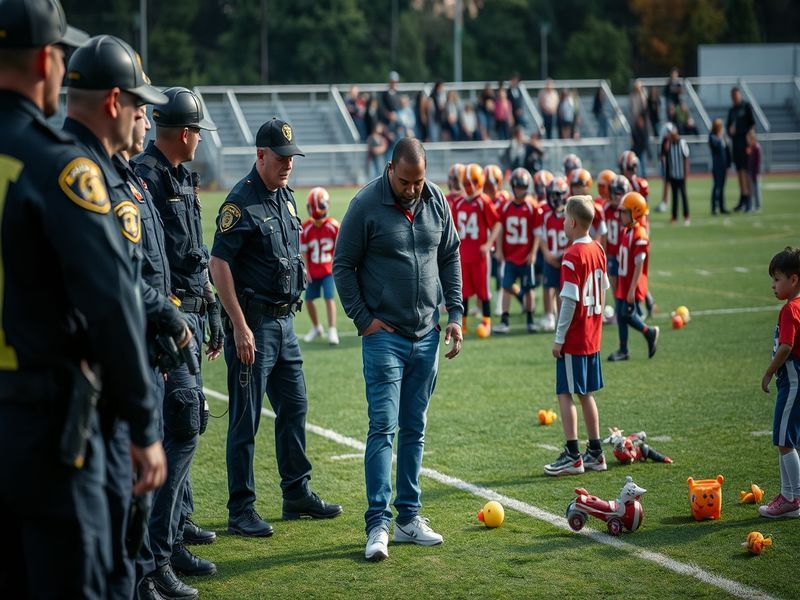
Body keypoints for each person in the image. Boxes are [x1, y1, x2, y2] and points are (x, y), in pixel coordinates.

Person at [0, 4, 165, 598]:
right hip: (46, 430)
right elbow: (111, 302)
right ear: (47, 60)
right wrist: (145, 424)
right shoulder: (60, 167)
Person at [62, 34, 176, 600]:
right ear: (113, 103)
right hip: (81, 401)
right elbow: (115, 297)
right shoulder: (81, 176)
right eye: (138, 104)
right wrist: (143, 423)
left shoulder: (97, 170)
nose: (144, 117)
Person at [209, 117, 343, 539]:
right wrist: (239, 325)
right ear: (260, 156)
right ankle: (241, 508)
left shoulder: (285, 197)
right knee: (245, 420)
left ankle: (296, 491)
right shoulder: (240, 202)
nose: (288, 165)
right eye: (281, 158)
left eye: (292, 158)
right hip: (255, 326)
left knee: (295, 408)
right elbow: (219, 264)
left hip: (284, 324)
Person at [332, 137, 463, 561]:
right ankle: (378, 524)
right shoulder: (365, 205)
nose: (412, 190)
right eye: (405, 181)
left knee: (415, 428)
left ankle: (409, 517)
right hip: (383, 337)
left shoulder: (436, 199)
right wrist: (364, 320)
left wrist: (456, 314)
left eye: (419, 182)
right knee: (382, 428)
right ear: (390, 170)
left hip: (426, 334)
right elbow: (342, 265)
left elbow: (450, 255)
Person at [132, 86, 222, 587]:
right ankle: (158, 557)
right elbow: (152, 267)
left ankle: (175, 535)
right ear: (185, 134)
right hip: (168, 321)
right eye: (198, 134)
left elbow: (188, 252)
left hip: (187, 315)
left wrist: (208, 308)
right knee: (181, 427)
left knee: (184, 426)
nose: (200, 142)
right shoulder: (146, 179)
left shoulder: (177, 177)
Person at [545, 195, 609, 476]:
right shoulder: (598, 249)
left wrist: (559, 338)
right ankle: (595, 451)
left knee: (564, 392)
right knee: (586, 393)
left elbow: (569, 301)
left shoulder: (573, 255)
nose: (561, 222)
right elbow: (603, 289)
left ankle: (573, 454)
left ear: (572, 222)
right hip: (592, 333)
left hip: (576, 336)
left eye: (563, 218)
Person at [759, 247, 800, 518]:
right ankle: (789, 494)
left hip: (792, 381)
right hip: (795, 381)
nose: (773, 285)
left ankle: (792, 498)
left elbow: (786, 346)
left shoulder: (789, 310)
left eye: (777, 279)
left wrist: (769, 372)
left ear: (793, 280)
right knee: (787, 439)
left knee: (784, 440)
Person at [608, 192, 659, 362]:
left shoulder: (640, 235)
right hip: (624, 281)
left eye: (624, 212)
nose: (620, 214)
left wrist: (631, 290)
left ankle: (649, 332)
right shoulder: (627, 231)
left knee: (627, 315)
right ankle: (623, 350)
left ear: (635, 213)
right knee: (622, 316)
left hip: (632, 283)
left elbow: (639, 266)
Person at [451, 163, 501, 334]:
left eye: (474, 181)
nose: (470, 186)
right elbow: (453, 229)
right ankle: (462, 323)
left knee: (483, 290)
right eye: (466, 182)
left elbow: (497, 224)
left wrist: (489, 244)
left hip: (480, 256)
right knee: (462, 290)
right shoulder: (457, 204)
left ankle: (487, 322)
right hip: (463, 254)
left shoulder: (483, 202)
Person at [493, 167, 539, 334]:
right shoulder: (506, 207)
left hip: (526, 255)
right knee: (506, 287)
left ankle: (530, 320)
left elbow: (537, 233)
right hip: (510, 256)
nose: (519, 190)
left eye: (522, 187)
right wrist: (499, 249)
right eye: (517, 187)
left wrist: (533, 252)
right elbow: (499, 229)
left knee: (529, 289)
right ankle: (505, 321)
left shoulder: (532, 207)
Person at [301, 187, 340, 345]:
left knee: (329, 297)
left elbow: (339, 250)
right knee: (308, 300)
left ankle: (332, 329)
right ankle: (317, 327)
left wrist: (337, 267)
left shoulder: (333, 226)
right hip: (313, 271)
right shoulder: (306, 228)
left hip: (328, 270)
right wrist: (306, 270)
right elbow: (304, 252)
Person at [535, 175, 571, 332]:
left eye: (556, 194)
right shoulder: (545, 214)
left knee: (561, 290)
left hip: (566, 257)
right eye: (551, 195)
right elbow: (542, 237)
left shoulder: (569, 214)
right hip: (550, 255)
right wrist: (548, 255)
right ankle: (549, 314)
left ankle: (560, 318)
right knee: (548, 285)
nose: (553, 198)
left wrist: (566, 254)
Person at [726, 86, 755, 211]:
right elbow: (728, 128)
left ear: (740, 95)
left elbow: (752, 125)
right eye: (733, 96)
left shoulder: (746, 106)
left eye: (737, 95)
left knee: (746, 172)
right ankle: (742, 198)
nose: (735, 98)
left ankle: (749, 200)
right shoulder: (732, 110)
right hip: (736, 144)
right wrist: (729, 131)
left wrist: (750, 143)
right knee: (739, 172)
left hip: (745, 144)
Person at [665, 124, 690, 225]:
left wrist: (686, 173)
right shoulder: (669, 144)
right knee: (674, 197)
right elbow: (666, 157)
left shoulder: (682, 143)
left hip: (681, 175)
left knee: (683, 196)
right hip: (673, 175)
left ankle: (686, 216)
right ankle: (674, 217)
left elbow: (686, 159)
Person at [708, 118, 730, 215]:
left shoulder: (722, 137)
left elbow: (727, 149)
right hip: (717, 165)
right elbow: (716, 147)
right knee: (716, 186)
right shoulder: (712, 137)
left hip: (724, 165)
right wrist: (720, 137)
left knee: (722, 187)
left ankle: (722, 207)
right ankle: (714, 207)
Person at [746, 127, 762, 213]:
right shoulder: (751, 148)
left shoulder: (757, 147)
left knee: (756, 191)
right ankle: (752, 206)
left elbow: (757, 162)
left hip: (755, 173)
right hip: (751, 172)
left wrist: (755, 173)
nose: (748, 140)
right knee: (751, 191)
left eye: (749, 139)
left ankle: (758, 206)